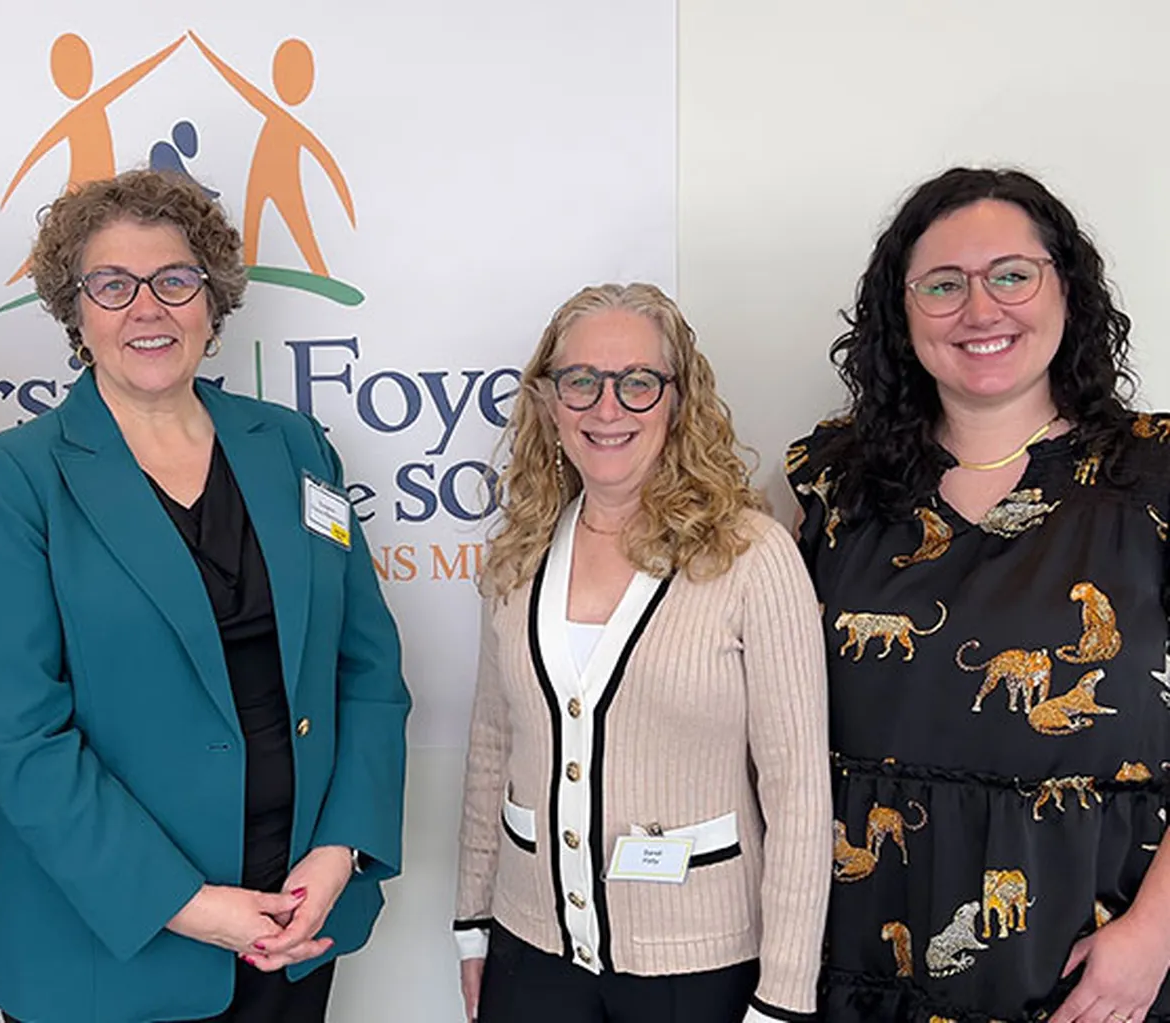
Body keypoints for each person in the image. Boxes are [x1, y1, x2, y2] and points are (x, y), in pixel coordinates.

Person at [0, 168, 410, 1023]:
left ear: (213, 302)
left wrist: (341, 850)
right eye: (112, 285)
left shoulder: (297, 446)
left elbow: (368, 668)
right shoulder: (16, 479)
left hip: (292, 921)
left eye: (174, 280)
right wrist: (190, 905)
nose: (146, 307)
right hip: (103, 943)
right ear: (75, 312)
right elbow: (20, 737)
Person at [790, 166, 1170, 1022]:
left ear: (1066, 289)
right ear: (902, 309)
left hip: (1095, 961)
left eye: (1011, 274)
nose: (980, 309)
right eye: (943, 284)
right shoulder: (833, 482)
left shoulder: (1154, 475)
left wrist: (1155, 933)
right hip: (858, 951)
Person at [454, 282, 831, 1023]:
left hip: (699, 970)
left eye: (638, 383)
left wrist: (783, 995)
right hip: (532, 956)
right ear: (548, 401)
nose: (606, 408)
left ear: (678, 400)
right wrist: (473, 927)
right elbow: (491, 749)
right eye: (581, 381)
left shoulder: (753, 557)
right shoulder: (520, 553)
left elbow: (799, 793)